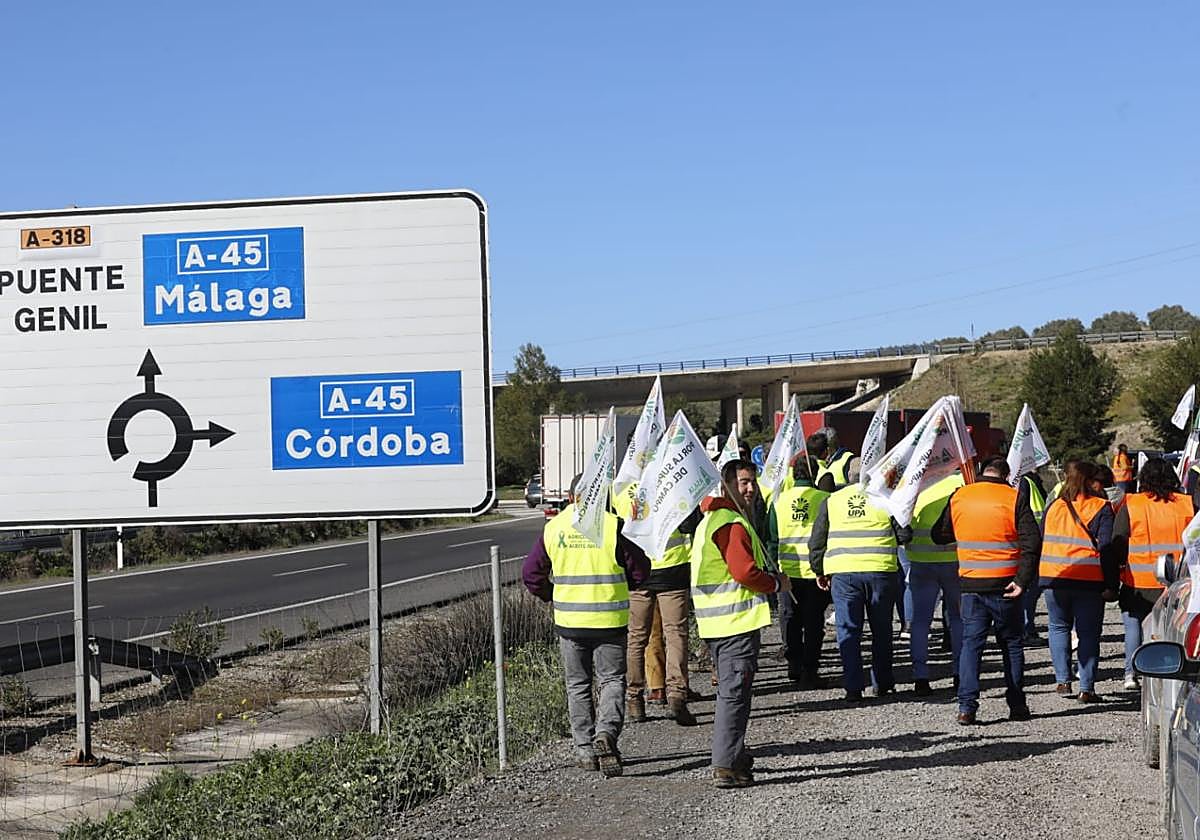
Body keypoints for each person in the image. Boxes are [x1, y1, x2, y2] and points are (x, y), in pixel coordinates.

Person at [522, 474, 650, 777]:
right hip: (609, 621)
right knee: (611, 681)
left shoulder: (554, 528)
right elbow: (641, 570)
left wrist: (554, 594)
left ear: (570, 496)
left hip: (570, 622)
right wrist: (624, 583)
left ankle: (584, 750)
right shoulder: (611, 526)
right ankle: (606, 733)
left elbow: (531, 574)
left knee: (577, 685)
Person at [693, 458, 790, 788]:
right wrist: (776, 584)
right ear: (727, 485)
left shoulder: (712, 519)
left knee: (730, 693)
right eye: (743, 482)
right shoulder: (731, 523)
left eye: (752, 482)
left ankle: (734, 754)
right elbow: (744, 572)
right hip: (733, 623)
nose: (750, 488)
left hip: (717, 624)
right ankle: (725, 765)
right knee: (735, 695)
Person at [932, 456, 1040, 723]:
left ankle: (966, 707)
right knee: (1012, 645)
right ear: (1005, 475)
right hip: (1006, 585)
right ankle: (1016, 705)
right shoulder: (1013, 497)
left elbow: (940, 534)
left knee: (971, 645)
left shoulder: (960, 496)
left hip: (970, 585)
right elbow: (1032, 541)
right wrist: (1023, 580)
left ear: (982, 472)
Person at [809, 481, 910, 702]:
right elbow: (905, 535)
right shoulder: (885, 498)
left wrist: (819, 569)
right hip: (880, 572)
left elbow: (817, 540)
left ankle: (853, 688)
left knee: (848, 632)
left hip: (844, 575)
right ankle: (882, 683)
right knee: (882, 630)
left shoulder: (832, 500)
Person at [611, 481, 698, 727]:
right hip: (672, 569)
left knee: (637, 637)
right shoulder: (673, 479)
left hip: (638, 571)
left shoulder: (620, 488)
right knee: (676, 635)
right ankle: (677, 695)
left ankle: (634, 698)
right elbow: (690, 524)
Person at [1039, 460, 1119, 702]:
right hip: (1087, 579)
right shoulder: (1101, 507)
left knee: (1058, 627)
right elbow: (1106, 548)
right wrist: (1111, 584)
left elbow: (1043, 536)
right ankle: (1087, 687)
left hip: (1054, 577)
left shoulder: (1054, 506)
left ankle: (1062, 680)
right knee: (1088, 634)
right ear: (1089, 480)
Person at [1113, 458, 1195, 690]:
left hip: (1138, 581)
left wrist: (1118, 568)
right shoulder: (1187, 504)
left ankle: (1131, 673)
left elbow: (1118, 541)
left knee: (1133, 627)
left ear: (1143, 479)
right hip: (1178, 581)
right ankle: (1170, 673)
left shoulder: (1132, 503)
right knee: (1174, 629)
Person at [767, 454, 831, 689]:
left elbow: (772, 540)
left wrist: (773, 570)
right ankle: (810, 670)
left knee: (790, 619)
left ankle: (793, 663)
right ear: (815, 474)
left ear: (794, 475)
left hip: (787, 572)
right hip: (816, 572)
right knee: (814, 622)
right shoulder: (825, 499)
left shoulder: (778, 502)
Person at [906, 472, 965, 695]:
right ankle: (960, 674)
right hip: (954, 561)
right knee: (959, 619)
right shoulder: (961, 483)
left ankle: (920, 678)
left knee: (921, 622)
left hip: (921, 562)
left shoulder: (916, 483)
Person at [1017, 471, 1049, 646]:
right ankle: (1025, 630)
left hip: (1028, 544)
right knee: (1029, 591)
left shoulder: (1026, 481)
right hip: (1031, 545)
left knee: (1030, 591)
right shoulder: (1027, 482)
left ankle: (1025, 629)